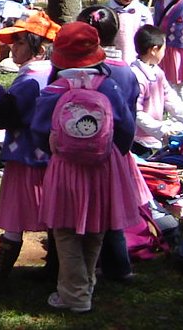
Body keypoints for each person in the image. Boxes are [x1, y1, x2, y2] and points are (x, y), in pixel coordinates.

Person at [32, 22, 141, 312]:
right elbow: (127, 128)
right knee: (96, 228)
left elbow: (39, 130)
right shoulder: (109, 86)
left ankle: (75, 294)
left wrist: (56, 148)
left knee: (65, 231)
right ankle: (86, 283)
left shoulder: (55, 89)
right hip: (103, 168)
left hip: (65, 168)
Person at [0, 11, 60, 290]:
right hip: (48, 158)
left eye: (21, 42)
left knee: (14, 220)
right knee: (55, 219)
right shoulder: (49, 73)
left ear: (40, 48)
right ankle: (54, 273)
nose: (13, 46)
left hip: (24, 159)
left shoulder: (29, 79)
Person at [76, 6, 150, 283]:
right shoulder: (127, 72)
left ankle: (89, 266)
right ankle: (119, 267)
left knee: (89, 209)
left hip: (91, 151)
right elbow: (128, 118)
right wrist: (121, 148)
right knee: (111, 210)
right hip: (117, 151)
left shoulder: (93, 71)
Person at [130, 25, 183, 157]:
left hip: (151, 137)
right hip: (136, 140)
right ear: (154, 50)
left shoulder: (157, 72)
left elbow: (173, 102)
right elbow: (136, 113)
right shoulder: (136, 76)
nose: (165, 52)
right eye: (164, 49)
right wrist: (161, 130)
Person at [105, 0, 152, 64]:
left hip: (135, 62)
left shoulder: (143, 13)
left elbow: (149, 38)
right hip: (110, 61)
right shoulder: (106, 11)